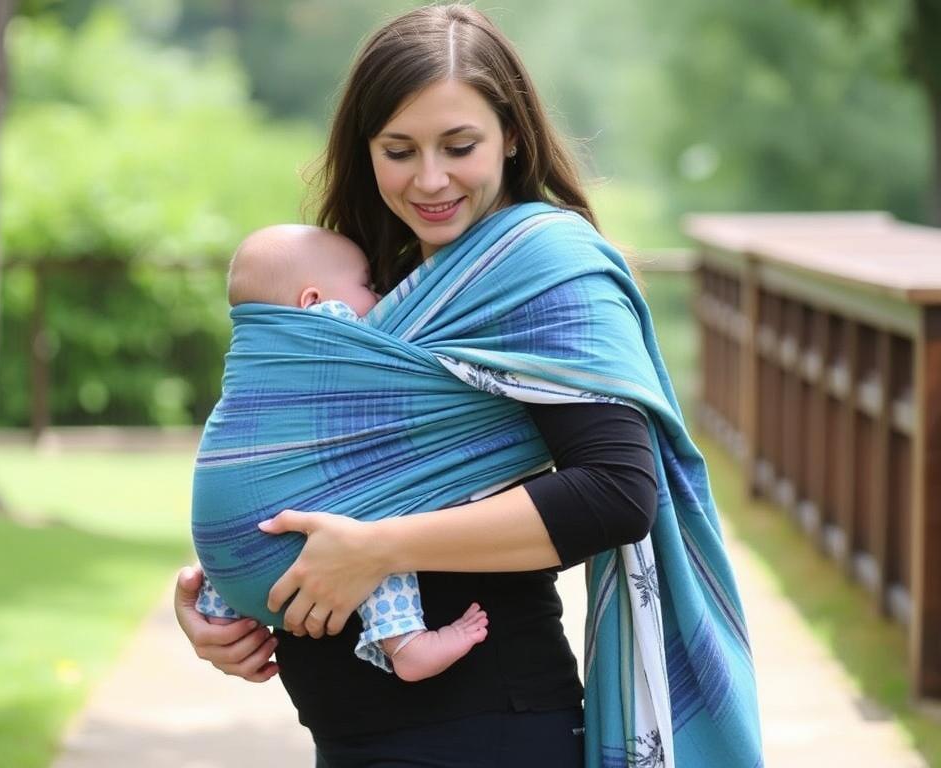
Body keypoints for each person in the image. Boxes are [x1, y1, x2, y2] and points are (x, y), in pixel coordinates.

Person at [174, 5, 761, 767]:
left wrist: (377, 549)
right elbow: (299, 461)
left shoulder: (544, 272)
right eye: (399, 149)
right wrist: (230, 592)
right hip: (349, 732)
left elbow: (617, 493)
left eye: (459, 146)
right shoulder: (365, 278)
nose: (430, 178)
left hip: (483, 726)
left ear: (511, 135)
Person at [196, 223, 491, 682]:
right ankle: (404, 641)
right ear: (313, 301)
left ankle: (216, 612)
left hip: (227, 560)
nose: (378, 298)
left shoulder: (256, 354)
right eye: (367, 286)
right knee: (376, 516)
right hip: (303, 553)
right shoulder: (331, 323)